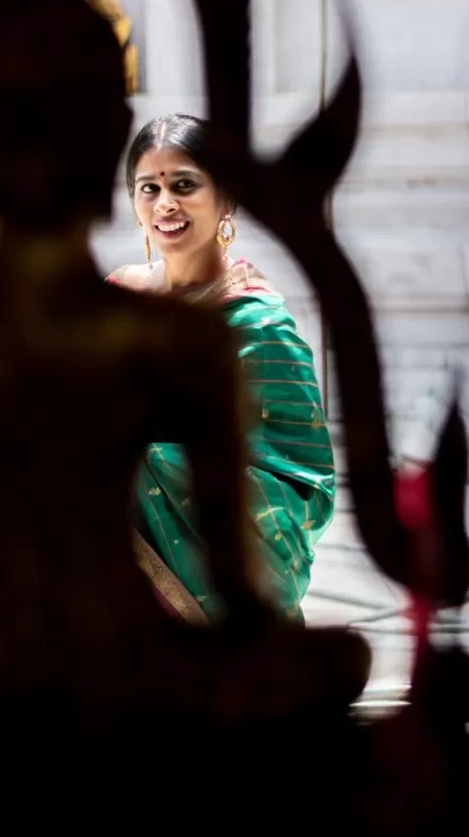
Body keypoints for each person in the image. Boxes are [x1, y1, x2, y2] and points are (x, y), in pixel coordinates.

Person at [108, 114, 335, 624]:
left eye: (184, 185)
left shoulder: (257, 323)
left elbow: (304, 483)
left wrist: (143, 458)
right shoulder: (117, 299)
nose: (165, 204)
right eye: (149, 188)